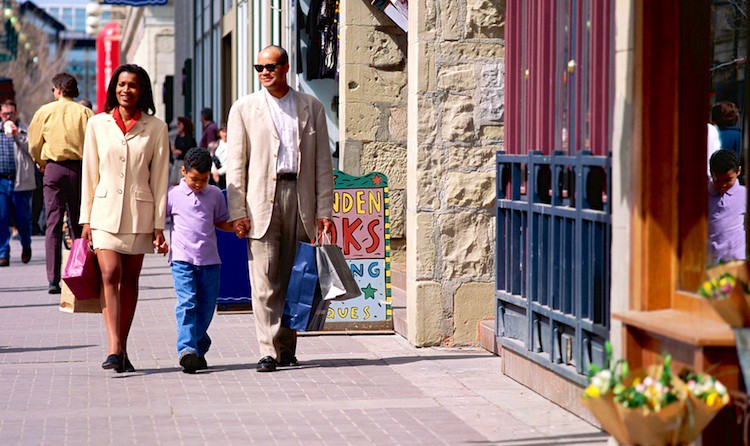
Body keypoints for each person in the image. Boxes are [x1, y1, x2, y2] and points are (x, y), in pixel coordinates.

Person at [226, 45, 334, 372]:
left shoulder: (311, 107)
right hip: (260, 200)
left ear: (285, 67)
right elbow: (236, 165)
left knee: (293, 277)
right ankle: (267, 349)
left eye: (271, 66)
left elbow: (322, 164)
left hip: (300, 199)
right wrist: (237, 211)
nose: (264, 72)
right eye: (259, 67)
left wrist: (324, 211)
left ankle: (286, 346)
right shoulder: (244, 108)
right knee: (264, 279)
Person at [79, 64, 170, 373]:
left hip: (139, 213)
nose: (125, 90)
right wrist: (85, 219)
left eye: (132, 85)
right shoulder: (97, 125)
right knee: (110, 273)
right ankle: (113, 346)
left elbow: (159, 179)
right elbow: (89, 172)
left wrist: (159, 225)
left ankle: (123, 349)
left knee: (130, 279)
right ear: (113, 89)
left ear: (141, 89)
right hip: (102, 212)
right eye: (121, 84)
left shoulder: (156, 128)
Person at [166, 147, 233, 374]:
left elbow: (221, 221)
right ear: (184, 171)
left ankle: (198, 347)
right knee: (187, 304)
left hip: (210, 262)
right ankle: (187, 350)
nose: (198, 184)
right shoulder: (173, 195)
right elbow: (158, 222)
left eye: (203, 180)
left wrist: (236, 228)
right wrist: (156, 239)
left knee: (205, 308)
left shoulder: (214, 194)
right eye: (194, 179)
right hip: (182, 260)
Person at [28, 72, 94, 294]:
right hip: (78, 170)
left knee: (53, 225)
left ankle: (52, 280)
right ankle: (78, 273)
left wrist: (40, 162)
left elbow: (34, 143)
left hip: (53, 169)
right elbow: (94, 145)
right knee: (78, 222)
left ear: (57, 89)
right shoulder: (85, 113)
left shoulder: (44, 112)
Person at [0, 99, 36, 267]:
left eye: (12, 114)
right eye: (5, 114)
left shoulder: (24, 129)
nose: (9, 117)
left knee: (23, 219)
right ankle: (3, 253)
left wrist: (17, 136)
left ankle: (26, 245)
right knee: (2, 218)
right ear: (0, 115)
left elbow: (33, 148)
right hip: (2, 181)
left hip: (20, 181)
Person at [708, 149, 747, 265]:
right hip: (711, 262)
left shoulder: (743, 194)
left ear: (738, 171)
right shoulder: (703, 195)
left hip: (736, 261)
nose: (722, 185)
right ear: (711, 173)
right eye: (717, 180)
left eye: (728, 180)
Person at [170, 117, 197, 186]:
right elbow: (174, 148)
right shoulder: (178, 137)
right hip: (177, 162)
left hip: (185, 162)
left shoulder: (190, 138)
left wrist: (179, 151)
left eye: (179, 123)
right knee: (173, 181)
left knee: (182, 181)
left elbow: (189, 150)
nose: (178, 125)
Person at [211, 123, 228, 189]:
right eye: (223, 132)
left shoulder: (232, 146)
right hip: (215, 176)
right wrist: (214, 172)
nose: (225, 134)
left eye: (227, 132)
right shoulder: (215, 145)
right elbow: (211, 159)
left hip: (226, 174)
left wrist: (219, 172)